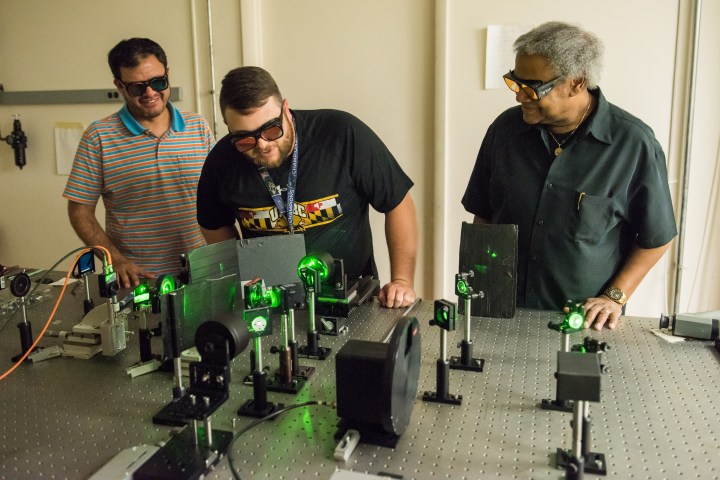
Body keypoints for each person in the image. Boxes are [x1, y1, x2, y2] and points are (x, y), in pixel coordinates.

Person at [461, 21, 677, 330]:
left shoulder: (634, 144)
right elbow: (483, 217)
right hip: (499, 315)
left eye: (532, 87)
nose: (520, 97)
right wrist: (479, 292)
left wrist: (614, 297)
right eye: (515, 82)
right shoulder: (504, 131)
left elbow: (657, 237)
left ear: (576, 83)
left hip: (579, 322)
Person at [196, 66, 417, 308]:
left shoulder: (341, 134)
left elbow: (397, 201)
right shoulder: (221, 162)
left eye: (271, 129)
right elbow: (213, 224)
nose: (262, 145)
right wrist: (240, 276)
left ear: (286, 110)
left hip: (351, 296)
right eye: (245, 139)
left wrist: (402, 280)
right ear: (229, 128)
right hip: (270, 301)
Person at [64, 38, 214, 288]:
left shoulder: (198, 127)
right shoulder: (98, 137)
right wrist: (115, 260)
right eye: (137, 87)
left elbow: (219, 197)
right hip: (138, 279)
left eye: (158, 82)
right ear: (119, 85)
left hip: (201, 271)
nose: (150, 93)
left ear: (168, 75)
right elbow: (80, 211)